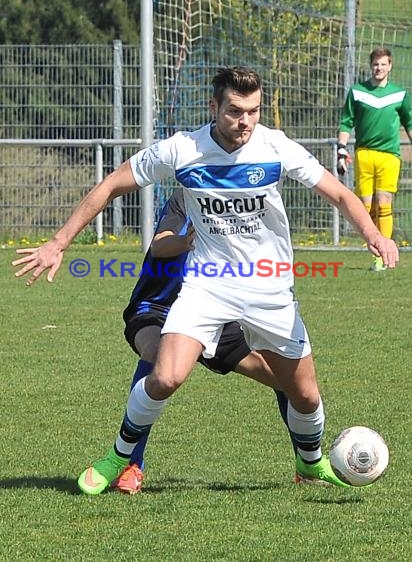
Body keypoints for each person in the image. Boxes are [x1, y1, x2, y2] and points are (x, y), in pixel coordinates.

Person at [13, 66, 398, 496]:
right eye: (235, 111)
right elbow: (111, 185)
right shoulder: (182, 150)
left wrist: (374, 235)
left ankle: (309, 464)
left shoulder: (276, 147)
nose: (245, 121)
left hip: (270, 289)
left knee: (306, 397)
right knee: (166, 377)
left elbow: (342, 194)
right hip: (208, 285)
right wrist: (58, 242)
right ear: (214, 107)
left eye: (252, 111)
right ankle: (119, 458)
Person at [115, 187, 297, 494]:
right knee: (159, 359)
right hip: (159, 309)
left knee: (288, 381)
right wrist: (188, 241)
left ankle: (306, 464)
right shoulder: (186, 196)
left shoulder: (251, 208)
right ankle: (130, 465)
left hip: (215, 315)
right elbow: (159, 247)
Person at [337, 46, 412, 271]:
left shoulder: (400, 94)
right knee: (366, 206)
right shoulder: (357, 92)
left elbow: (409, 123)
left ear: (390, 66)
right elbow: (346, 122)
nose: (379, 68)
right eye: (375, 64)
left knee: (384, 203)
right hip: (364, 154)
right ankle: (374, 244)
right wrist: (341, 149)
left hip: (389, 156)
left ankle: (382, 256)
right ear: (371, 66)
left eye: (383, 64)